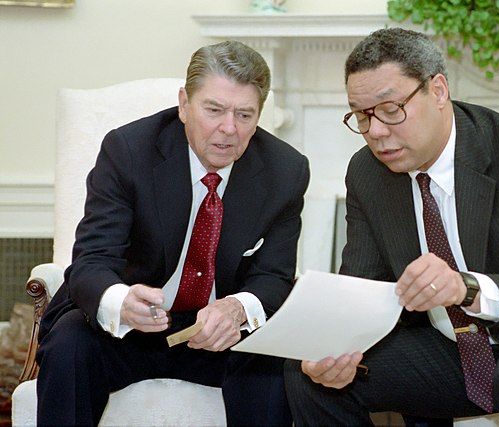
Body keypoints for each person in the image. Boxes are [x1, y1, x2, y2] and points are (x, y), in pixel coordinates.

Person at [284, 27, 499, 427]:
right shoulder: (368, 172)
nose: (377, 132)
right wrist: (332, 345)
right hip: (456, 347)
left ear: (437, 91)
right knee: (308, 374)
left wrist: (465, 287)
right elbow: (366, 286)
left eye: (390, 110)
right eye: (361, 116)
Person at [36, 40, 310, 426]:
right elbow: (92, 260)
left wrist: (236, 309)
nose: (228, 129)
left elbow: (275, 275)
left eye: (245, 115)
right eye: (214, 109)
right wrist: (120, 301)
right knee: (70, 344)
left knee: (271, 356)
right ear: (184, 104)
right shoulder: (128, 150)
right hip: (131, 326)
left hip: (219, 334)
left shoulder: (286, 170)